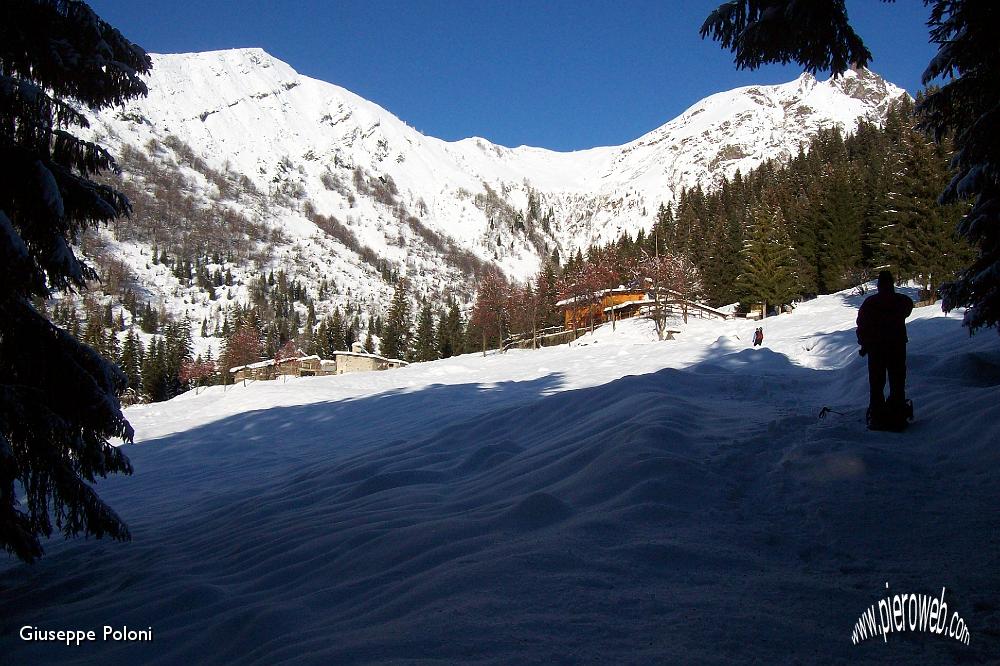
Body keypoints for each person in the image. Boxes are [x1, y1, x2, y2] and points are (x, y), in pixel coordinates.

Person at [856, 271, 914, 429]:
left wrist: (864, 343)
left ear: (879, 285)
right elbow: (909, 306)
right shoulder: (900, 301)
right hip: (897, 347)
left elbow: (861, 325)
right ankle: (897, 416)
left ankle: (878, 417)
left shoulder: (871, 303)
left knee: (876, 384)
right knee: (897, 382)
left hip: (877, 349)